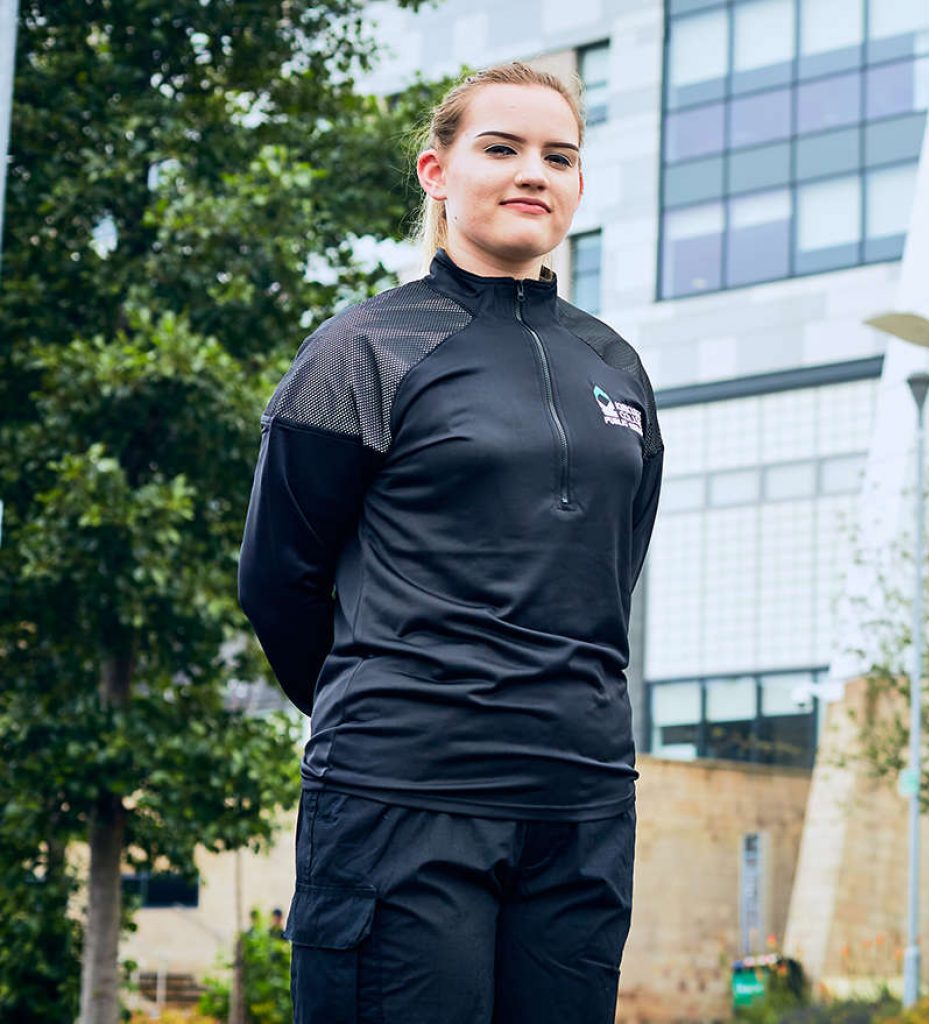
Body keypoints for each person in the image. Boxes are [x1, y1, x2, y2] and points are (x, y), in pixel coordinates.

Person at [238, 60, 664, 1024]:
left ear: (580, 187)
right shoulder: (362, 350)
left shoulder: (618, 367)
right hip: (402, 794)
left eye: (559, 156)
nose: (534, 172)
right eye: (501, 148)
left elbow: (610, 572)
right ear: (437, 171)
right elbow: (278, 580)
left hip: (581, 802)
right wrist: (396, 702)